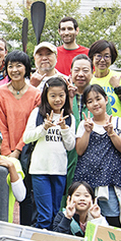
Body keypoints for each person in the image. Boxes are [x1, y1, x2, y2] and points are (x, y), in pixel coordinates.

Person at [0, 50, 39, 227]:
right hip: (4, 151)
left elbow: (33, 126)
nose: (14, 69)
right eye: (10, 66)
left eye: (19, 65)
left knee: (26, 195)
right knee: (3, 195)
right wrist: (6, 152)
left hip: (28, 151)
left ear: (26, 68)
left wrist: (18, 150)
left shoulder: (36, 94)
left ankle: (25, 231)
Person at [74, 84, 121, 227]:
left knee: (112, 218)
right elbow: (79, 151)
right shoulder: (84, 124)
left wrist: (112, 133)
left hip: (109, 181)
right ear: (87, 105)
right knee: (85, 219)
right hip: (86, 180)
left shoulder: (118, 122)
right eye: (90, 101)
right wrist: (87, 131)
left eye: (98, 99)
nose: (95, 103)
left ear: (106, 100)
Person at [22, 77, 76, 230]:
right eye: (53, 95)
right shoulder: (37, 114)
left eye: (61, 95)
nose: (57, 99)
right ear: (46, 95)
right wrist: (43, 127)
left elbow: (71, 146)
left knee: (54, 212)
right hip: (40, 170)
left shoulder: (69, 117)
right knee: (44, 215)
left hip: (59, 170)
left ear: (66, 95)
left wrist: (65, 128)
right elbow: (27, 138)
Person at [87, 40, 121, 117]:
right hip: (94, 127)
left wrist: (118, 88)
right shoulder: (88, 80)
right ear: (92, 57)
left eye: (106, 56)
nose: (102, 60)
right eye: (98, 56)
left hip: (117, 127)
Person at [68, 54, 94, 120]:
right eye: (76, 70)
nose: (80, 74)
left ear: (92, 73)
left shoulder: (99, 95)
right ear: (71, 72)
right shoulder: (63, 94)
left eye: (85, 70)